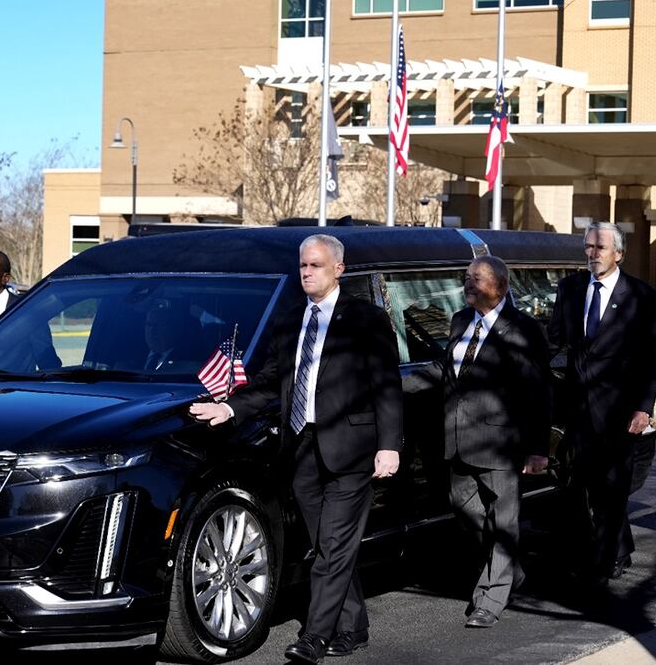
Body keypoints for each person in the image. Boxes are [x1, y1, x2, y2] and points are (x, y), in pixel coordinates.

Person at [190, 234, 402, 663]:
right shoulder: (290, 322)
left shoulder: (365, 318)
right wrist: (229, 408)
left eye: (315, 266)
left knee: (333, 548)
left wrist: (389, 446)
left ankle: (315, 638)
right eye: (303, 266)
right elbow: (269, 383)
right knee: (328, 544)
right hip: (302, 448)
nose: (306, 272)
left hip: (352, 450)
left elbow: (387, 386)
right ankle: (354, 626)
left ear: (338, 269)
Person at [404, 256, 550, 628]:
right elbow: (445, 368)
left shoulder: (523, 330)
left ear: (499, 286)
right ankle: (511, 571)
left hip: (501, 442)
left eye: (476, 279)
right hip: (459, 441)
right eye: (466, 278)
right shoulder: (459, 322)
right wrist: (397, 386)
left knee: (504, 522)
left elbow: (537, 391)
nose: (468, 284)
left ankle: (490, 598)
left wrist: (537, 448)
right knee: (464, 507)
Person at [547, 221, 656, 584]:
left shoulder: (640, 296)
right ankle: (619, 546)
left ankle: (608, 556)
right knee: (586, 485)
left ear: (619, 254)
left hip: (620, 409)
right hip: (578, 408)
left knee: (613, 484)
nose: (592, 254)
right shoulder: (570, 288)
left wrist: (644, 407)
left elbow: (649, 358)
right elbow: (555, 341)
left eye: (600, 248)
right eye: (588, 247)